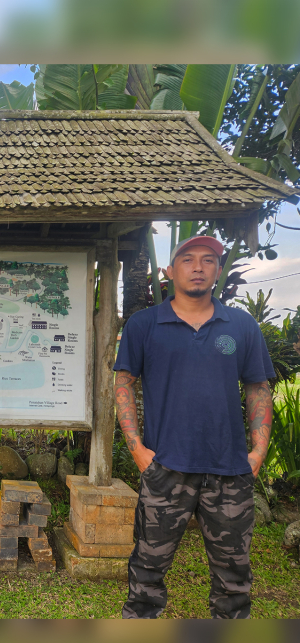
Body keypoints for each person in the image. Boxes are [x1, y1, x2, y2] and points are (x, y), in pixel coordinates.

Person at [113, 235, 274, 619]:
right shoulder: (145, 324)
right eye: (187, 259)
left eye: (207, 260)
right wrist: (137, 448)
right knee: (146, 574)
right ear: (170, 271)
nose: (198, 267)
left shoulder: (241, 325)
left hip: (230, 472)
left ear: (218, 270)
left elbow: (258, 387)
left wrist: (257, 452)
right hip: (166, 468)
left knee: (234, 580)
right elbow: (123, 383)